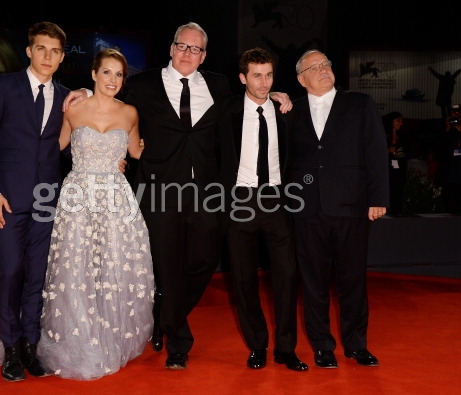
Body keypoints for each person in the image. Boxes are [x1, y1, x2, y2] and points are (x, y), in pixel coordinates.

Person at [63, 22, 292, 370]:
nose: (188, 53)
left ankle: (165, 315)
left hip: (207, 192)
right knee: (167, 267)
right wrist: (80, 88)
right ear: (171, 49)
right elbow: (107, 96)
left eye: (195, 49)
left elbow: (249, 103)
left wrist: (278, 95)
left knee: (203, 261)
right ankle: (178, 344)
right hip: (159, 190)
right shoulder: (142, 84)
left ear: (203, 55)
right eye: (182, 46)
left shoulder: (218, 84)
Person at [0, 21, 85, 382]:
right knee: (9, 273)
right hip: (6, 200)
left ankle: (30, 346)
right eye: (41, 48)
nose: (47, 56)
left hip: (46, 200)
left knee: (37, 276)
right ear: (29, 51)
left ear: (62, 56)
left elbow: (81, 137)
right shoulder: (4, 86)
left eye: (54, 51)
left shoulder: (68, 96)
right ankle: (9, 348)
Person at [36, 48, 155, 380]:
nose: (112, 80)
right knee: (78, 269)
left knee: (115, 266)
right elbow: (53, 147)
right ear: (93, 74)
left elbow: (135, 151)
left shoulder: (130, 112)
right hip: (78, 199)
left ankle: (113, 335)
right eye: (107, 73)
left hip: (117, 200)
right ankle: (78, 338)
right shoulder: (74, 108)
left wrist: (137, 154)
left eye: (118, 75)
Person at [286, 49, 389, 368]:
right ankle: (322, 346)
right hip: (307, 209)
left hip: (352, 206)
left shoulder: (359, 103)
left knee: (353, 280)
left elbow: (375, 150)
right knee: (313, 283)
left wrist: (379, 197)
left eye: (326, 64)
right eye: (313, 68)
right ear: (302, 80)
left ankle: (357, 344)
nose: (323, 69)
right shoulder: (290, 110)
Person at [217, 47, 307, 372]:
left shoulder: (286, 111)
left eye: (269, 74)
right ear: (243, 77)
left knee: (286, 276)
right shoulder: (225, 111)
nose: (264, 82)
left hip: (276, 200)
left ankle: (286, 348)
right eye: (256, 75)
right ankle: (257, 345)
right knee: (243, 279)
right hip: (239, 201)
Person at [435, 104, 461, 214]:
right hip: (450, 178)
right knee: (450, 209)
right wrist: (447, 130)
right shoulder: (447, 133)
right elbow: (438, 152)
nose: (457, 117)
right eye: (454, 113)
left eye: (459, 113)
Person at [382, 111, 407, 215]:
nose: (400, 123)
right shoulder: (383, 135)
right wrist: (388, 150)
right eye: (398, 121)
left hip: (399, 168)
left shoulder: (402, 135)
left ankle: (397, 211)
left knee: (398, 191)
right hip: (387, 169)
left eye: (401, 121)